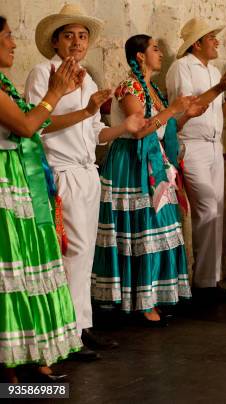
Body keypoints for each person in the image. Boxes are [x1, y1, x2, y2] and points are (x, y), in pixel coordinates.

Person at [25, 3, 146, 360]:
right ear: (56, 41)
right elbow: (39, 125)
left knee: (85, 255)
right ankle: (66, 331)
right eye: (69, 36)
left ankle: (82, 325)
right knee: (71, 254)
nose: (77, 42)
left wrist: (124, 128)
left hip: (87, 172)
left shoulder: (87, 77)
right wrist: (87, 111)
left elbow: (95, 133)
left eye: (82, 36)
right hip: (60, 173)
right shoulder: (41, 73)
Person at [92, 34, 202, 325]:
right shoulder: (129, 86)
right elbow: (139, 129)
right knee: (140, 228)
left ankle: (153, 295)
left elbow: (163, 127)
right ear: (140, 56)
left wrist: (184, 115)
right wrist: (173, 109)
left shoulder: (152, 87)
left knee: (158, 226)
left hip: (153, 161)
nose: (161, 53)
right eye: (155, 48)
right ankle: (139, 301)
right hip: (131, 161)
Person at [0, 15, 83, 382]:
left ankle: (28, 353)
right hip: (6, 181)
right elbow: (26, 126)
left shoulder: (4, 82)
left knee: (28, 264)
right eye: (7, 36)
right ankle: (10, 364)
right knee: (11, 270)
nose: (13, 44)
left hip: (20, 178)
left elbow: (33, 122)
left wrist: (72, 101)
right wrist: (54, 92)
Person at [166, 17, 226, 302]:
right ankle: (201, 282)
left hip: (214, 144)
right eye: (211, 37)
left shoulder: (214, 71)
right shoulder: (182, 67)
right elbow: (186, 108)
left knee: (216, 208)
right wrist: (219, 89)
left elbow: (218, 116)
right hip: (191, 144)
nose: (217, 41)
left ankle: (210, 281)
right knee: (205, 207)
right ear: (197, 43)